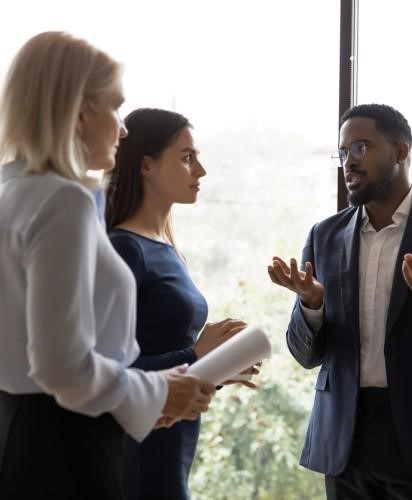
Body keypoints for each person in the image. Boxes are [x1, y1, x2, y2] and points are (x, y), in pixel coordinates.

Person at [0, 32, 215, 499]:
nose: (122, 129)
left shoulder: (12, 191)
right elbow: (63, 369)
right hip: (65, 446)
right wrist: (155, 393)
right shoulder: (63, 200)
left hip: (17, 431)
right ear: (79, 112)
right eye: (115, 109)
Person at [267, 103, 412, 499]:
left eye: (361, 148)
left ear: (401, 151)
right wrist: (311, 306)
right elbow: (306, 355)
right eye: (343, 152)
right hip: (344, 440)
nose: (349, 163)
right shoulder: (323, 235)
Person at [106, 107, 256, 500]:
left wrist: (214, 367)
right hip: (138, 447)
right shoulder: (125, 249)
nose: (201, 171)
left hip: (171, 442)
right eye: (187, 157)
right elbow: (104, 372)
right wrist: (195, 354)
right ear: (147, 165)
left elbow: (160, 354)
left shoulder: (163, 247)